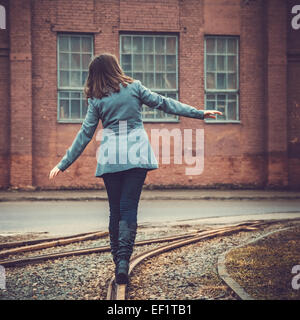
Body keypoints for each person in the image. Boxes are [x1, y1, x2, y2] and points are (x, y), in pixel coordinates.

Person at [49, 53, 222, 285]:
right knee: (128, 208)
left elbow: (85, 134)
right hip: (137, 156)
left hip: (111, 159)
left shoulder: (96, 100)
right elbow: (165, 103)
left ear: (95, 75)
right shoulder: (134, 88)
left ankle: (116, 261)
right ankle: (123, 263)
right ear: (115, 68)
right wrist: (199, 113)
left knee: (115, 211)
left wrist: (63, 163)